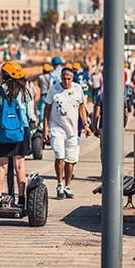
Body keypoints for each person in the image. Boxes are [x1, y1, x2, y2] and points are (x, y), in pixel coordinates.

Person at [44, 67, 92, 199]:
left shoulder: (77, 89)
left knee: (70, 159)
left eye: (69, 79)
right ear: (61, 78)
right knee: (59, 156)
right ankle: (59, 184)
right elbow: (47, 109)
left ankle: (67, 186)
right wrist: (45, 129)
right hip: (56, 128)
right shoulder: (53, 89)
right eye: (64, 79)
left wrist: (86, 124)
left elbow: (82, 107)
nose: (66, 82)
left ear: (72, 78)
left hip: (72, 131)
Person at [0, 62, 35, 207]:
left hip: (2, 133)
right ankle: (21, 198)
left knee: (1, 165)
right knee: (20, 166)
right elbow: (29, 113)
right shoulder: (24, 91)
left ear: (5, 75)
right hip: (20, 132)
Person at [92, 92, 129, 161]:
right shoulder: (122, 97)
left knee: (104, 150)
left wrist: (95, 128)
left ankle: (104, 169)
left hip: (103, 126)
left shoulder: (101, 96)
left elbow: (96, 114)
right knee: (116, 148)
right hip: (117, 127)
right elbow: (126, 115)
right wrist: (123, 126)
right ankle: (116, 168)